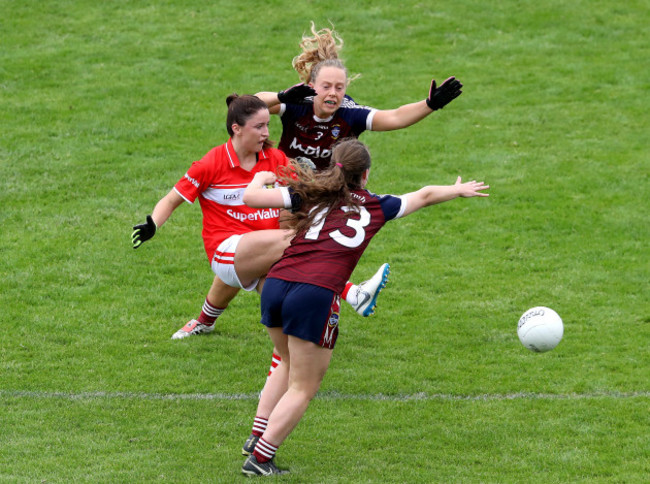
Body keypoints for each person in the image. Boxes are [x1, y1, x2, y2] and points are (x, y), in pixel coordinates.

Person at [239, 138, 489, 476]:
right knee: (303, 386)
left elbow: (251, 197)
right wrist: (457, 190)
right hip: (314, 295)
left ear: (333, 166)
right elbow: (425, 195)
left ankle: (257, 437)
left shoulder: (308, 193)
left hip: (277, 283)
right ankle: (261, 458)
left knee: (285, 360)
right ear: (366, 175)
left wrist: (261, 178)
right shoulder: (377, 206)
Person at [131, 94, 388, 344]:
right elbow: (171, 199)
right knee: (298, 241)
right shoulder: (210, 164)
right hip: (226, 252)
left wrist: (348, 193)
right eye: (259, 126)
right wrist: (153, 223)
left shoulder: (274, 158)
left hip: (258, 253)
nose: (266, 132)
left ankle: (205, 322)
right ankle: (353, 292)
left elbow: (308, 191)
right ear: (237, 129)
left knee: (290, 299)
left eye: (267, 124)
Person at [255, 22, 463, 170]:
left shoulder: (350, 113)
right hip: (286, 181)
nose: (332, 93)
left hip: (328, 192)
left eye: (339, 87)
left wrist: (430, 105)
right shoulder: (297, 103)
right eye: (326, 86)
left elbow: (396, 117)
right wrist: (281, 96)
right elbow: (251, 106)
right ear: (311, 85)